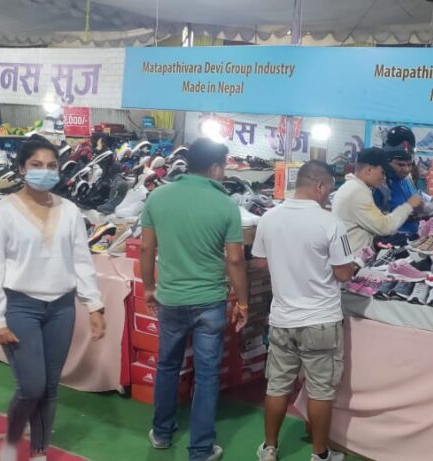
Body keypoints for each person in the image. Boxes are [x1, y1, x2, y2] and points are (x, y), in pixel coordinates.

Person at [0, 139, 107, 461]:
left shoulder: (69, 211)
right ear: (22, 168)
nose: (45, 172)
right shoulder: (1, 213)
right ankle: (11, 441)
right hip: (20, 306)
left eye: (51, 166)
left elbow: (81, 260)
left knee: (49, 387)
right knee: (32, 386)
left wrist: (93, 304)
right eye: (36, 165)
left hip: (61, 307)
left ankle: (39, 451)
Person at [139, 138, 250, 461]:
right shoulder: (226, 205)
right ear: (214, 167)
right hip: (210, 301)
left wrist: (149, 287)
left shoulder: (158, 196)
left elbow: (146, 248)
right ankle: (201, 449)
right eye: (223, 167)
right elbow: (235, 260)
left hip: (170, 298)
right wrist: (243, 303)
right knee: (207, 375)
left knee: (167, 365)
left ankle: (162, 433)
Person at [253, 161, 363, 461]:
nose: (328, 196)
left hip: (282, 319)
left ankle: (270, 448)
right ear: (319, 186)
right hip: (321, 320)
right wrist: (353, 263)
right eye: (329, 190)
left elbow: (259, 262)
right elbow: (343, 274)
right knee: (320, 391)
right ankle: (320, 454)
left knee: (277, 386)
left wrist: (285, 262)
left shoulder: (269, 218)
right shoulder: (330, 223)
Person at [332, 147, 423, 252]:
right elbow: (385, 227)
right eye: (382, 172)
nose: (383, 177)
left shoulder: (352, 187)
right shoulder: (357, 192)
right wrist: (409, 205)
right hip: (352, 257)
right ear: (369, 170)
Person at [373, 126, 420, 235]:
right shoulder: (379, 185)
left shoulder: (407, 179)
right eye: (401, 165)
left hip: (412, 239)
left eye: (410, 165)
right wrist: (406, 214)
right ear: (387, 162)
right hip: (389, 241)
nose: (407, 170)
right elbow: (374, 222)